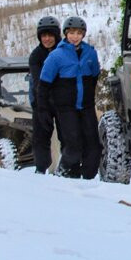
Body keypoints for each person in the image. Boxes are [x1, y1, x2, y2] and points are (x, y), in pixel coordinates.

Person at [38, 16, 101, 178]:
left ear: (83, 34)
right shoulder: (56, 56)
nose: (75, 37)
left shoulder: (90, 53)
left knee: (94, 147)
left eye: (79, 33)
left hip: (86, 107)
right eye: (71, 33)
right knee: (73, 147)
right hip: (66, 109)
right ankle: (62, 173)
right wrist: (43, 109)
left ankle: (87, 180)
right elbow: (43, 85)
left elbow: (94, 76)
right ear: (65, 34)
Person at [29, 16, 62, 174]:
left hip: (62, 100)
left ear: (56, 35)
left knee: (68, 135)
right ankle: (40, 169)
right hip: (41, 100)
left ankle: (68, 169)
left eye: (50, 35)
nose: (47, 39)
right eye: (44, 35)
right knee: (40, 137)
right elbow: (38, 82)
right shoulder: (36, 56)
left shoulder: (65, 51)